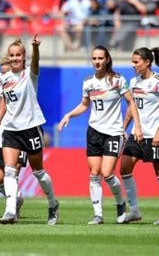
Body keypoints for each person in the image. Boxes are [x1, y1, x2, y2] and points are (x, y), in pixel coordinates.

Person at [0, 35, 59, 225]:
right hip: (11, 130)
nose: (14, 58)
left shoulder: (30, 74)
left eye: (18, 55)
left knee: (38, 172)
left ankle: (53, 204)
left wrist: (35, 48)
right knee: (9, 172)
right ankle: (10, 211)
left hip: (30, 128)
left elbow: (36, 63)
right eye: (11, 55)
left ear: (24, 57)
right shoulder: (3, 80)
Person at [58, 45, 140, 225]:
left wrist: (137, 127)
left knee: (107, 172)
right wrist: (68, 115)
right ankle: (98, 214)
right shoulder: (88, 82)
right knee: (94, 173)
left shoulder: (117, 80)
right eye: (94, 58)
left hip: (113, 132)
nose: (97, 61)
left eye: (100, 58)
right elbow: (84, 105)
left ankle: (120, 203)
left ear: (107, 59)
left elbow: (131, 103)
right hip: (94, 131)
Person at [118, 47, 159, 225]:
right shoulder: (133, 82)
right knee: (124, 169)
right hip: (137, 134)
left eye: (136, 62)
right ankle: (134, 210)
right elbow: (131, 108)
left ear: (147, 62)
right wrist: (123, 129)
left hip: (156, 135)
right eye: (132, 61)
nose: (132, 65)